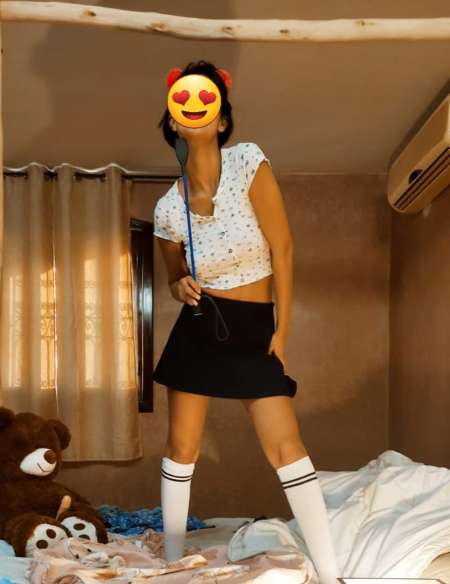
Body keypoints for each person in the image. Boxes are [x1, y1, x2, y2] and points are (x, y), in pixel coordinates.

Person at [153, 60, 340, 583]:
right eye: (183, 106)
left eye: (206, 103)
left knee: (287, 447)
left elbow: (283, 247)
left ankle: (332, 575)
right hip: (199, 327)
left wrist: (282, 330)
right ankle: (172, 561)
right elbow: (173, 276)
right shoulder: (167, 208)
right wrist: (178, 286)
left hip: (255, 326)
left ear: (221, 120)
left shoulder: (247, 162)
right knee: (181, 448)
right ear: (173, 124)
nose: (194, 111)